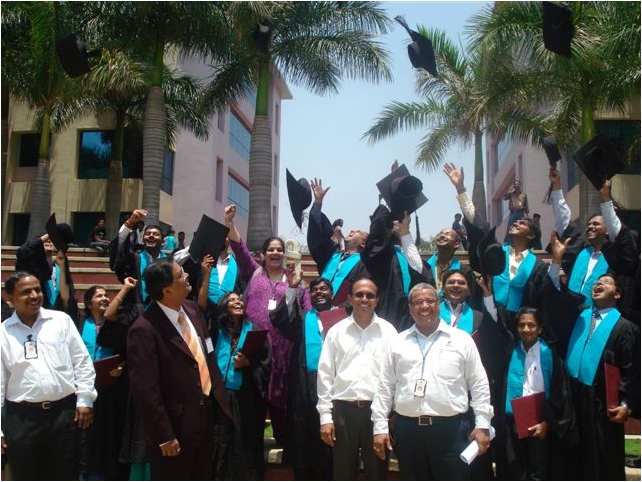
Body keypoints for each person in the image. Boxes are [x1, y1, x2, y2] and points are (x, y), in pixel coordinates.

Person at [371, 282, 494, 481]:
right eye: (418, 302)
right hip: (408, 431)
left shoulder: (462, 340)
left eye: (430, 301)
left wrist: (483, 424)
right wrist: (379, 427)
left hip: (451, 431)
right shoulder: (397, 342)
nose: (424, 306)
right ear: (410, 308)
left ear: (439, 304)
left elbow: (479, 384)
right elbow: (385, 386)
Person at [126, 258, 231, 481]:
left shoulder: (192, 310)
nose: (187, 277)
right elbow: (146, 390)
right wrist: (163, 434)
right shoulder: (144, 329)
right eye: (181, 275)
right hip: (175, 428)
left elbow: (207, 355)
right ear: (167, 290)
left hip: (204, 418)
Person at [548, 238, 640, 480]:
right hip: (571, 397)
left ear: (617, 294)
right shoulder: (578, 314)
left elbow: (632, 370)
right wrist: (556, 260)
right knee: (571, 458)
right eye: (597, 281)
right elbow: (555, 297)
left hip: (600, 402)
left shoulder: (625, 328)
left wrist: (626, 404)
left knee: (600, 459)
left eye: (606, 282)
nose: (599, 283)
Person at [226, 204, 310, 446]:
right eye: (271, 249)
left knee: (281, 402)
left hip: (284, 352)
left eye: (279, 249)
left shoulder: (294, 280)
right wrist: (230, 223)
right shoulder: (254, 273)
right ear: (263, 254)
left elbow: (306, 312)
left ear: (284, 254)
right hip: (256, 351)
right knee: (253, 401)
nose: (275, 252)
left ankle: (284, 444)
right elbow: (240, 250)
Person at [1, 271, 97, 480]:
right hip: (22, 419)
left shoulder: (60, 321)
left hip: (63, 415)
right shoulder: (3, 333)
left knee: (64, 474)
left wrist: (85, 399)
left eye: (37, 289)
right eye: (26, 292)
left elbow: (81, 361)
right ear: (11, 298)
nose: (34, 295)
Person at [444, 163, 552, 336]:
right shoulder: (496, 253)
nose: (515, 223)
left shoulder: (538, 267)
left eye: (522, 223)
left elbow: (542, 303)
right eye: (516, 222)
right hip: (490, 322)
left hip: (521, 330)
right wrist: (461, 189)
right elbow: (479, 226)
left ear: (531, 235)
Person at [316, 277, 398, 480]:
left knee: (377, 473)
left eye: (370, 295)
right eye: (359, 294)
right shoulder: (336, 331)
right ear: (350, 298)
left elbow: (396, 375)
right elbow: (325, 375)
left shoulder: (389, 332)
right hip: (343, 412)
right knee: (343, 474)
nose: (364, 299)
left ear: (377, 300)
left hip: (378, 412)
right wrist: (325, 417)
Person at [494, 307, 577, 481]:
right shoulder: (509, 352)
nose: (526, 329)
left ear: (540, 329)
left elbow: (561, 396)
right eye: (521, 325)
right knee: (513, 470)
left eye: (531, 325)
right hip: (511, 423)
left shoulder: (551, 357)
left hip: (540, 423)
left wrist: (547, 423)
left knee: (537, 473)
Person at [199, 285, 270, 481]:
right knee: (219, 439)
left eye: (239, 299)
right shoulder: (214, 330)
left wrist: (249, 364)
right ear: (223, 306)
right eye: (232, 300)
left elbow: (265, 363)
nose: (238, 302)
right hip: (217, 395)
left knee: (243, 442)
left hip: (243, 397)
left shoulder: (255, 331)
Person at [270, 275, 335, 481]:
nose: (319, 292)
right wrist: (292, 289)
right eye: (314, 289)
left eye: (324, 288)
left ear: (332, 293)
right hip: (304, 384)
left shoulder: (344, 319)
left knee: (332, 447)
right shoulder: (303, 318)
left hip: (335, 385)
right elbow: (281, 319)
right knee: (303, 439)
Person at [547, 168, 638, 312]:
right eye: (589, 224)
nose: (590, 227)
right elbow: (564, 223)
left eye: (596, 224)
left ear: (607, 229)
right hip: (571, 314)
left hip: (601, 316)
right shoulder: (581, 251)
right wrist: (557, 186)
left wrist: (606, 199)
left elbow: (617, 231)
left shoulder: (615, 257)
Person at [77, 285, 129, 481]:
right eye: (99, 296)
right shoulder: (80, 323)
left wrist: (121, 367)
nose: (105, 298)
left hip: (110, 389)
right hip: (84, 388)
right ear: (89, 303)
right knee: (86, 436)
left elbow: (124, 354)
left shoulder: (116, 325)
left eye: (106, 295)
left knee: (108, 434)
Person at [308, 178, 370, 308]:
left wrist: (339, 310)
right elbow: (317, 237)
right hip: (317, 310)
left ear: (364, 243)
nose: (352, 230)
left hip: (345, 314)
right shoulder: (332, 255)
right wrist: (318, 202)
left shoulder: (365, 264)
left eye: (357, 231)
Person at [15, 225, 78, 323]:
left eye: (50, 240)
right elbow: (22, 251)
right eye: (44, 241)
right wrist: (50, 234)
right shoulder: (32, 268)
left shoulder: (60, 266)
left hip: (58, 317)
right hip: (37, 317)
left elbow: (67, 297)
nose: (48, 242)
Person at [503, 179, 529, 244]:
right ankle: (507, 242)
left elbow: (526, 205)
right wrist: (510, 190)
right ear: (514, 185)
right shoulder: (511, 194)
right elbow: (505, 198)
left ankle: (522, 242)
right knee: (510, 227)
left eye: (517, 184)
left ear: (520, 185)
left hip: (521, 213)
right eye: (515, 184)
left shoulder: (523, 195)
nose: (516, 185)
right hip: (513, 213)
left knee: (521, 228)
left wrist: (527, 214)